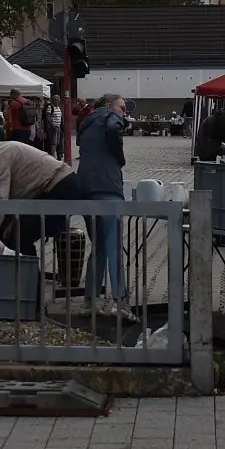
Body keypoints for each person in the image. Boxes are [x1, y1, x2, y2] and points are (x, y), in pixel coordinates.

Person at [0, 138, 94, 255]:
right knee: (14, 232)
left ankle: (29, 278)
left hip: (58, 187)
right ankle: (27, 275)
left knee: (17, 236)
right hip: (52, 188)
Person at [74, 93, 130, 312]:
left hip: (86, 189)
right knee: (113, 245)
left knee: (98, 246)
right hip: (108, 188)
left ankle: (89, 301)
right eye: (122, 107)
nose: (124, 112)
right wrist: (119, 157)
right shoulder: (109, 116)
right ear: (108, 105)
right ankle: (120, 301)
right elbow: (115, 127)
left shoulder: (87, 124)